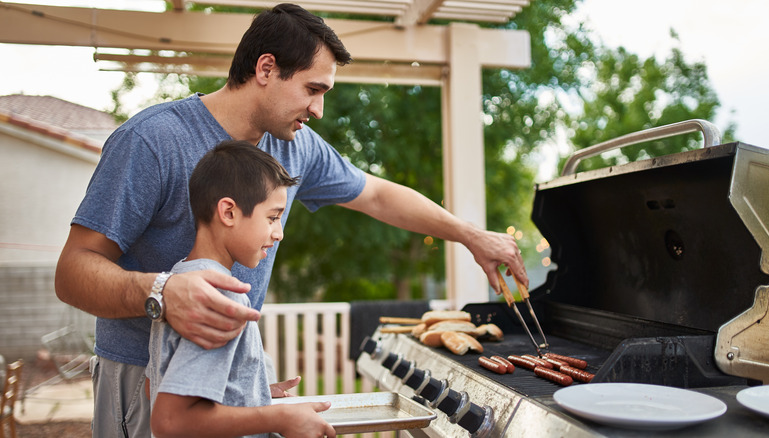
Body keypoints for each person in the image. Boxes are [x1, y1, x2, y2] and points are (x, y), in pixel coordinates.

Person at [54, 3, 528, 437]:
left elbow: (380, 196)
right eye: (312, 89)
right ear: (266, 69)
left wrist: (470, 236)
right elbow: (72, 272)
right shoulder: (152, 141)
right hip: (142, 378)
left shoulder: (294, 145)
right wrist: (161, 293)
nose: (319, 109)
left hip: (224, 384)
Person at [147, 140, 334, 438]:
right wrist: (277, 417)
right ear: (229, 212)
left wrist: (253, 392)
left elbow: (154, 386)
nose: (279, 233)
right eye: (273, 217)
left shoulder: (180, 280)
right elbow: (170, 421)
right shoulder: (221, 294)